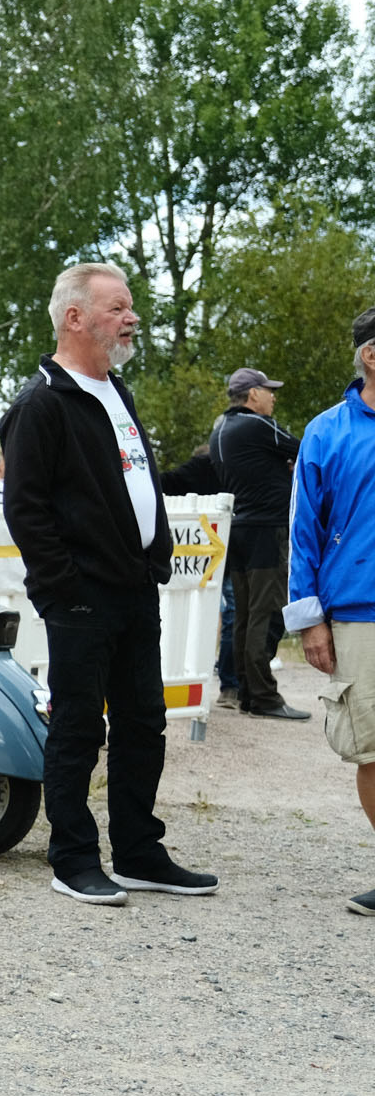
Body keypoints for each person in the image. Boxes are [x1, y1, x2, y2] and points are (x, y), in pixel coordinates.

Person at [0, 261, 217, 906]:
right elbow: (26, 510)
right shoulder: (41, 404)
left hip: (134, 588)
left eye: (129, 306)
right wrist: (64, 587)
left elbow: (131, 484)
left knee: (143, 722)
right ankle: (72, 858)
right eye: (117, 307)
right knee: (77, 728)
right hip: (82, 596)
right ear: (75, 317)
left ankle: (139, 852)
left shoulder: (115, 392)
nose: (132, 318)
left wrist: (153, 559)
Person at [285, 307, 375, 915]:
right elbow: (303, 532)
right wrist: (309, 618)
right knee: (372, 750)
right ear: (371, 354)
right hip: (359, 615)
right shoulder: (326, 432)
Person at [211, 367, 305, 720]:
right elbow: (307, 449)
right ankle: (264, 696)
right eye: (269, 390)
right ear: (253, 394)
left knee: (245, 616)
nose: (273, 397)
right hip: (266, 529)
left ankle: (247, 694)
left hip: (238, 528)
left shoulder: (221, 428)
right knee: (266, 614)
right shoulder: (257, 424)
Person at [159, 440, 241, 708]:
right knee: (218, 614)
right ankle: (228, 685)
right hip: (206, 556)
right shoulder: (205, 466)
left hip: (221, 554)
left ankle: (230, 684)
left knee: (225, 615)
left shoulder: (239, 464)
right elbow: (164, 482)